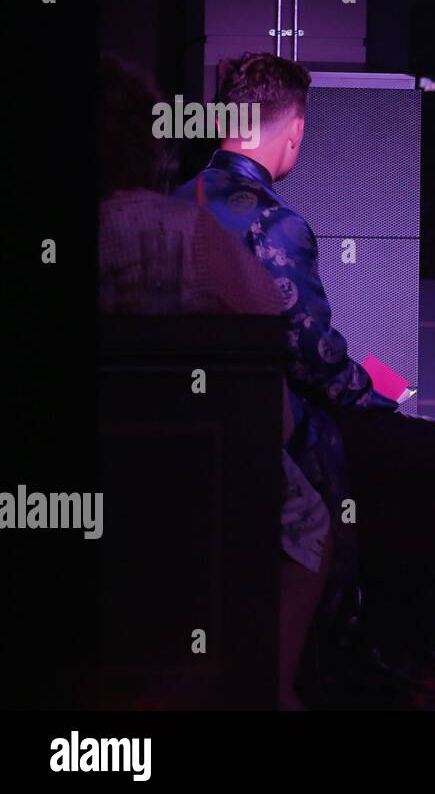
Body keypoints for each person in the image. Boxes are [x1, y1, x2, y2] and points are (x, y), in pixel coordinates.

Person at [176, 52, 435, 706]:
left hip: (200, 427)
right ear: (295, 131)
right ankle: (394, 650)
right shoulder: (273, 222)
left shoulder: (174, 206)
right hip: (281, 433)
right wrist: (378, 401)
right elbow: (309, 354)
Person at [98, 54, 331, 709]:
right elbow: (271, 332)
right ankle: (271, 688)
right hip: (188, 458)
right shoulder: (187, 228)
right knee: (311, 519)